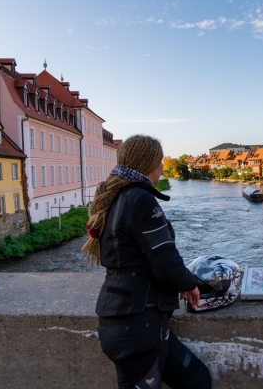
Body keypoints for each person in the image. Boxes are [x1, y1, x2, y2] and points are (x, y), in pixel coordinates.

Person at [83, 135, 211, 389]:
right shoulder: (139, 198)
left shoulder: (117, 197)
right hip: (137, 324)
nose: (162, 166)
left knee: (197, 380)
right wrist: (189, 284)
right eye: (160, 160)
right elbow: (164, 257)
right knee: (195, 381)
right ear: (149, 163)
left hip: (127, 318)